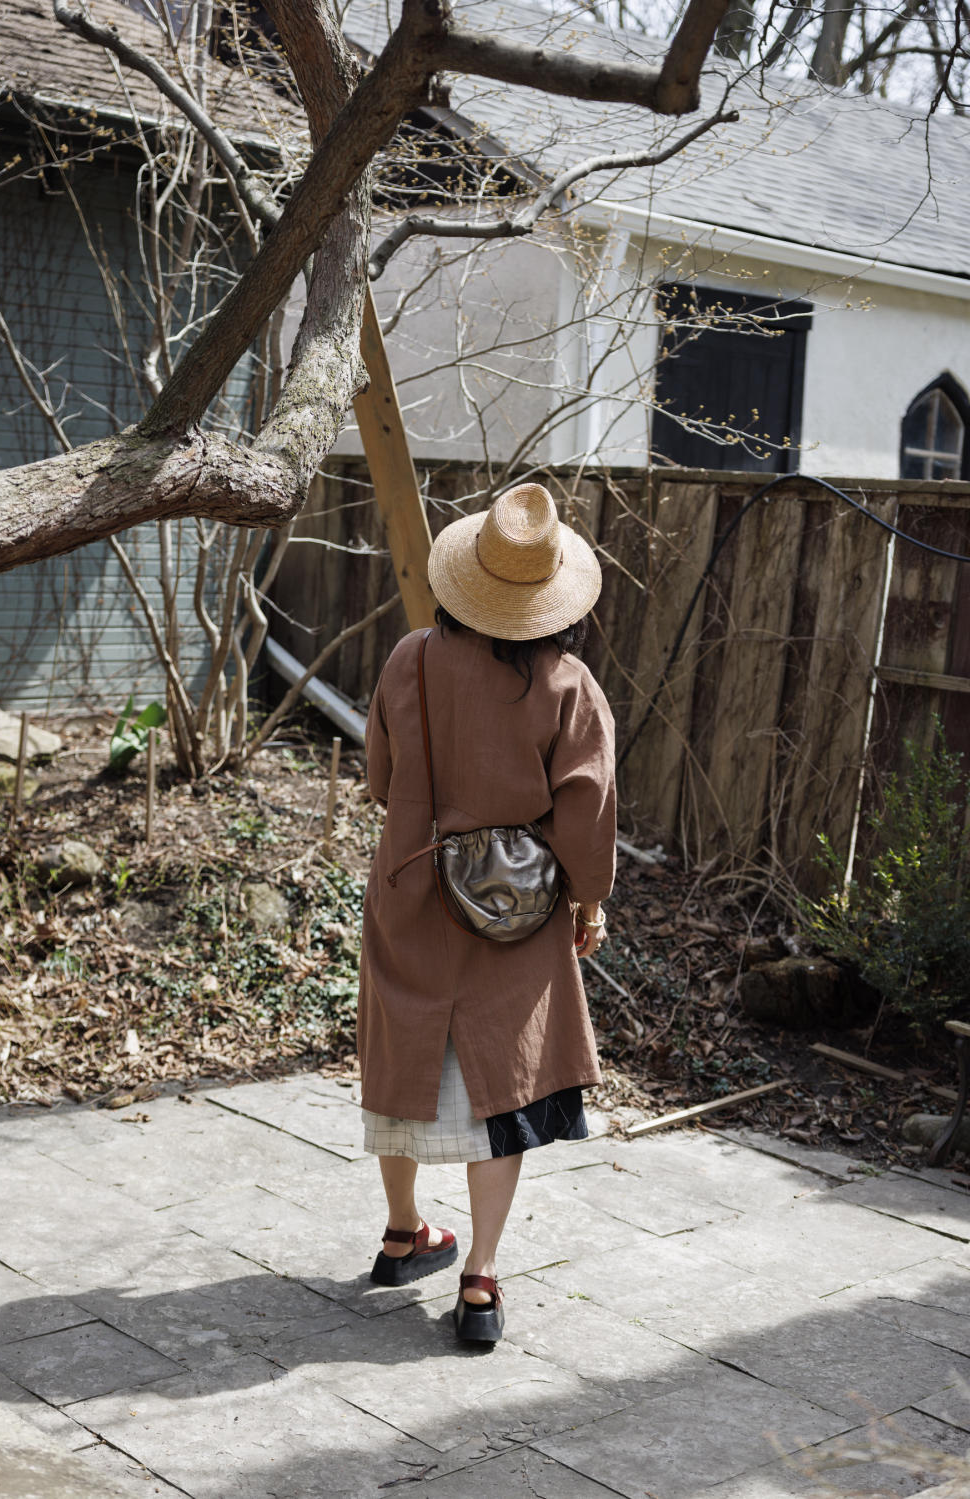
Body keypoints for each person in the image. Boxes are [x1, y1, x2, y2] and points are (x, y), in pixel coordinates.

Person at [357, 482, 616, 1343]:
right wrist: (587, 900)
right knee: (501, 1084)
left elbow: (381, 782)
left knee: (405, 1055)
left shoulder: (409, 659)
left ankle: (404, 1232)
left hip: (410, 884)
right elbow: (587, 815)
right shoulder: (568, 684)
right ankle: (478, 1283)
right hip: (514, 912)